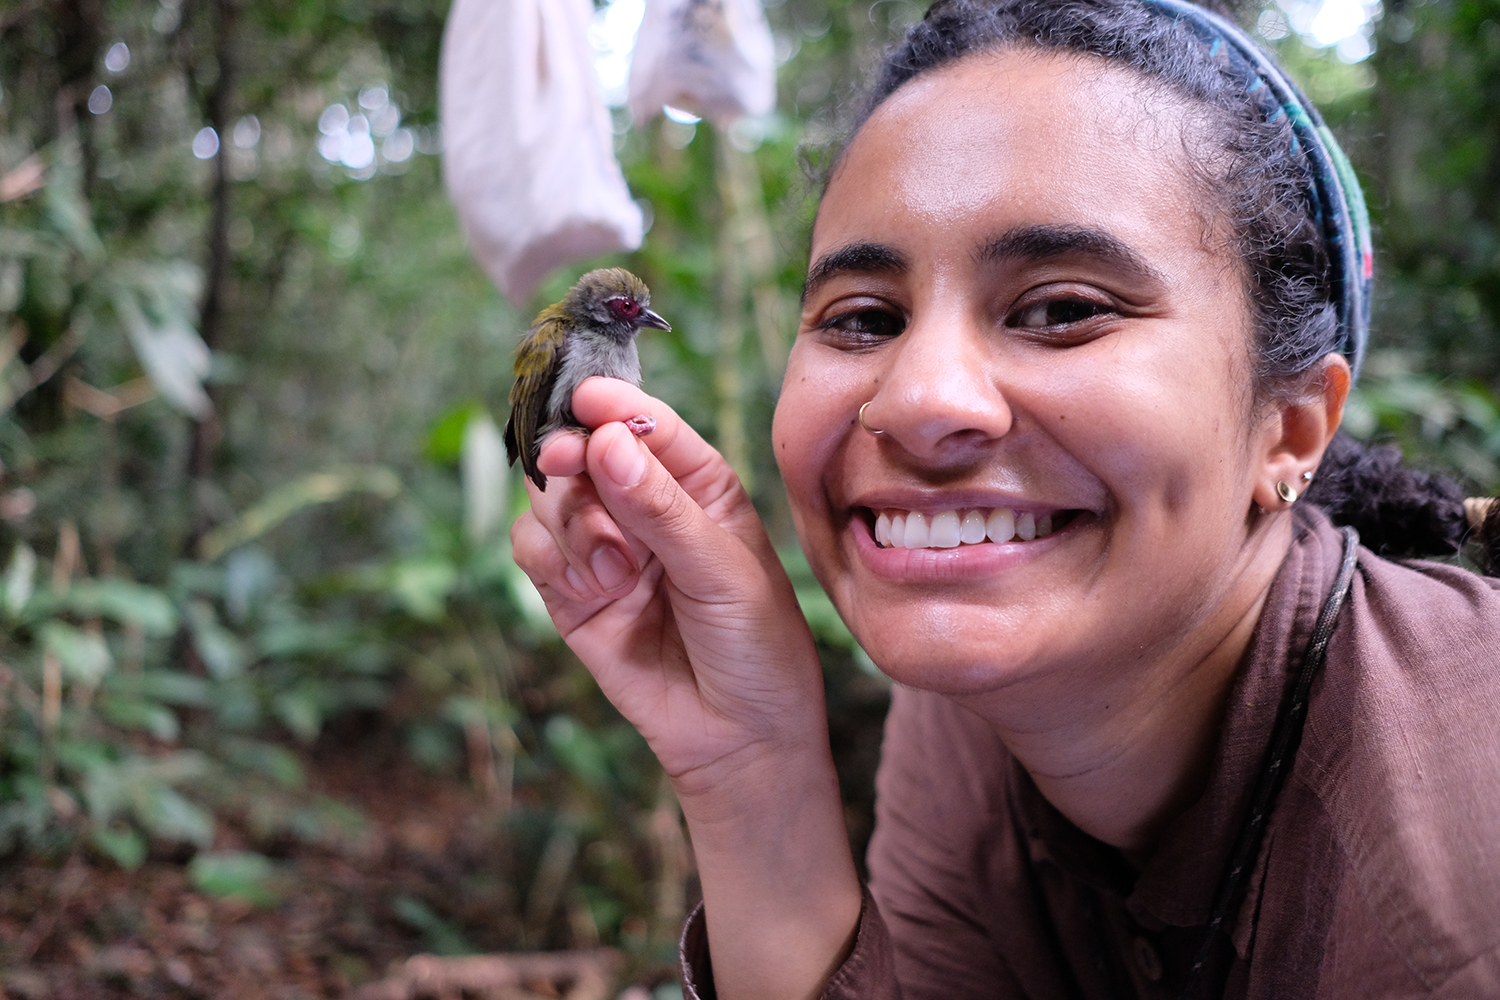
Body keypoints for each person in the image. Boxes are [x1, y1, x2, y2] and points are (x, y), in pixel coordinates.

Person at [509, 0, 1500, 996]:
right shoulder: (970, 716)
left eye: (1063, 309)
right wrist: (750, 766)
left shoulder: (1455, 870)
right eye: (863, 318)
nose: (920, 399)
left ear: (1289, 429)